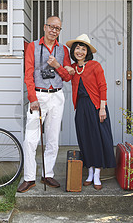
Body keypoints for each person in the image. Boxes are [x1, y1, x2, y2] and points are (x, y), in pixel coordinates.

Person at [17, 16, 72, 193]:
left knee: (53, 138)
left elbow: (68, 77)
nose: (54, 31)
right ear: (44, 27)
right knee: (31, 139)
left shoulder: (63, 49)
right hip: (39, 96)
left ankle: (47, 174)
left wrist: (57, 65)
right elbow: (28, 74)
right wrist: (32, 98)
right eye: (52, 27)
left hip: (56, 96)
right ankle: (29, 178)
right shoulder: (33, 46)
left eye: (58, 28)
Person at [66, 34, 116, 190]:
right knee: (85, 139)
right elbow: (64, 76)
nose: (79, 51)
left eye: (83, 48)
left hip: (95, 107)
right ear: (73, 51)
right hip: (81, 107)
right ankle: (89, 171)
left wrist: (102, 108)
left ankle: (97, 174)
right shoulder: (74, 69)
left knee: (97, 140)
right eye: (77, 48)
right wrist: (66, 68)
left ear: (87, 51)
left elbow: (103, 87)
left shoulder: (95, 66)